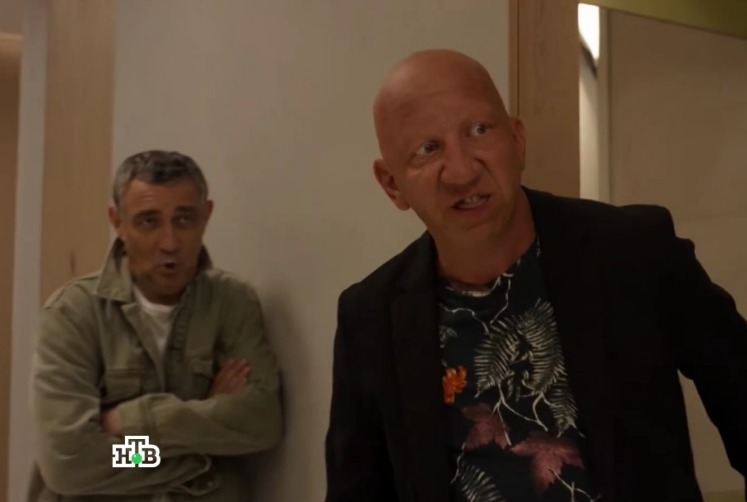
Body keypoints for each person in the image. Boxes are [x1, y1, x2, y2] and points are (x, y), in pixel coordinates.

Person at [324, 49, 747, 501]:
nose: (463, 171)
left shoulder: (634, 252)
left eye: (478, 130)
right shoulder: (371, 317)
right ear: (392, 184)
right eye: (429, 149)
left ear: (517, 140)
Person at [28, 150, 282, 501]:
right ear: (118, 222)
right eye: (149, 222)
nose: (170, 243)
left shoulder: (233, 303)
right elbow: (70, 462)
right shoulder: (73, 313)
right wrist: (198, 449)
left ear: (206, 216)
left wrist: (137, 420)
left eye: (184, 219)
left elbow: (261, 422)